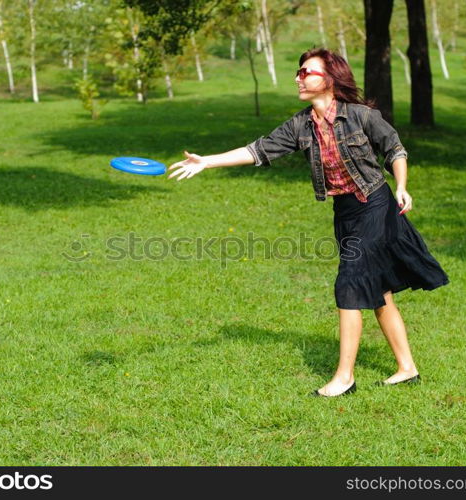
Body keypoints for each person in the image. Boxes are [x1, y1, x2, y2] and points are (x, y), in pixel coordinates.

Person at [168, 48, 449, 397]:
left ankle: (344, 378)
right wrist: (207, 162)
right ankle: (407, 368)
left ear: (329, 78)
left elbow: (395, 149)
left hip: (377, 204)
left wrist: (403, 187)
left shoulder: (361, 116)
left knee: (350, 282)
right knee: (377, 291)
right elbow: (259, 149)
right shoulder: (301, 125)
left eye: (306, 72)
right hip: (345, 212)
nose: (298, 77)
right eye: (298, 72)